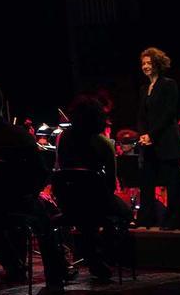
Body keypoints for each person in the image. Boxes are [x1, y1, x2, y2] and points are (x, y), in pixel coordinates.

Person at [0, 83, 71, 287]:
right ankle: (56, 272)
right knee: (47, 218)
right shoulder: (19, 135)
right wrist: (30, 193)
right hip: (18, 202)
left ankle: (14, 267)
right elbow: (41, 172)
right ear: (1, 104)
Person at [56, 95, 132, 281]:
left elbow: (62, 170)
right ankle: (107, 256)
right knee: (124, 214)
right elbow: (111, 184)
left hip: (70, 202)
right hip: (97, 201)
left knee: (84, 217)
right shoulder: (104, 143)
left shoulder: (63, 138)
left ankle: (92, 257)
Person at [135, 47, 180, 230]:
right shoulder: (144, 89)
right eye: (143, 63)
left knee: (173, 182)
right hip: (149, 142)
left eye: (149, 63)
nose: (145, 66)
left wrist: (152, 134)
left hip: (166, 140)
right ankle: (146, 218)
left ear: (157, 64)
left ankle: (175, 219)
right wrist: (143, 134)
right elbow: (141, 116)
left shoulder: (168, 84)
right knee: (147, 181)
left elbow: (168, 113)